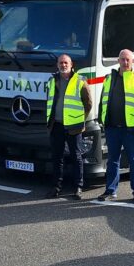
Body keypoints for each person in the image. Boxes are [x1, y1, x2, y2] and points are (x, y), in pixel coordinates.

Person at [97, 49, 134, 203]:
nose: (125, 62)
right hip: (112, 128)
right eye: (122, 59)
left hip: (131, 129)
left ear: (132, 61)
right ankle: (110, 190)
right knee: (113, 160)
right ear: (118, 61)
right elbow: (103, 101)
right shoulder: (109, 78)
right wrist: (103, 121)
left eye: (128, 59)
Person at [46, 53, 93, 199]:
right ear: (57, 65)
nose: (63, 65)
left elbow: (88, 104)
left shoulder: (80, 81)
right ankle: (56, 187)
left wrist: (79, 119)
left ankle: (78, 187)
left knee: (76, 157)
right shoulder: (52, 81)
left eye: (66, 63)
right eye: (61, 63)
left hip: (74, 126)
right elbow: (49, 101)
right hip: (57, 125)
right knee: (57, 157)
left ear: (71, 65)